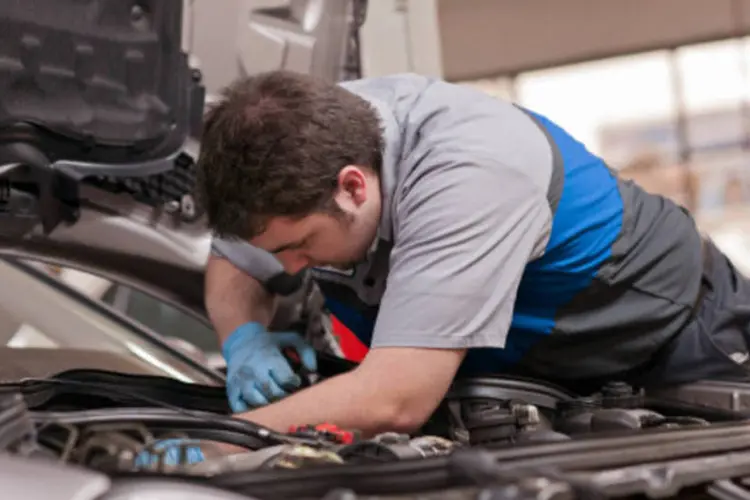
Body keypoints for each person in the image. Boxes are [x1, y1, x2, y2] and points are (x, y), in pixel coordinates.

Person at [141, 70, 750, 465]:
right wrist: (242, 337)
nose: (291, 269)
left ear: (354, 187)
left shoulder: (469, 173)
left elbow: (395, 398)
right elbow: (233, 260)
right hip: (532, 375)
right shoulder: (294, 145)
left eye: (301, 245)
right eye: (279, 254)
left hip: (680, 341)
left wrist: (222, 439)